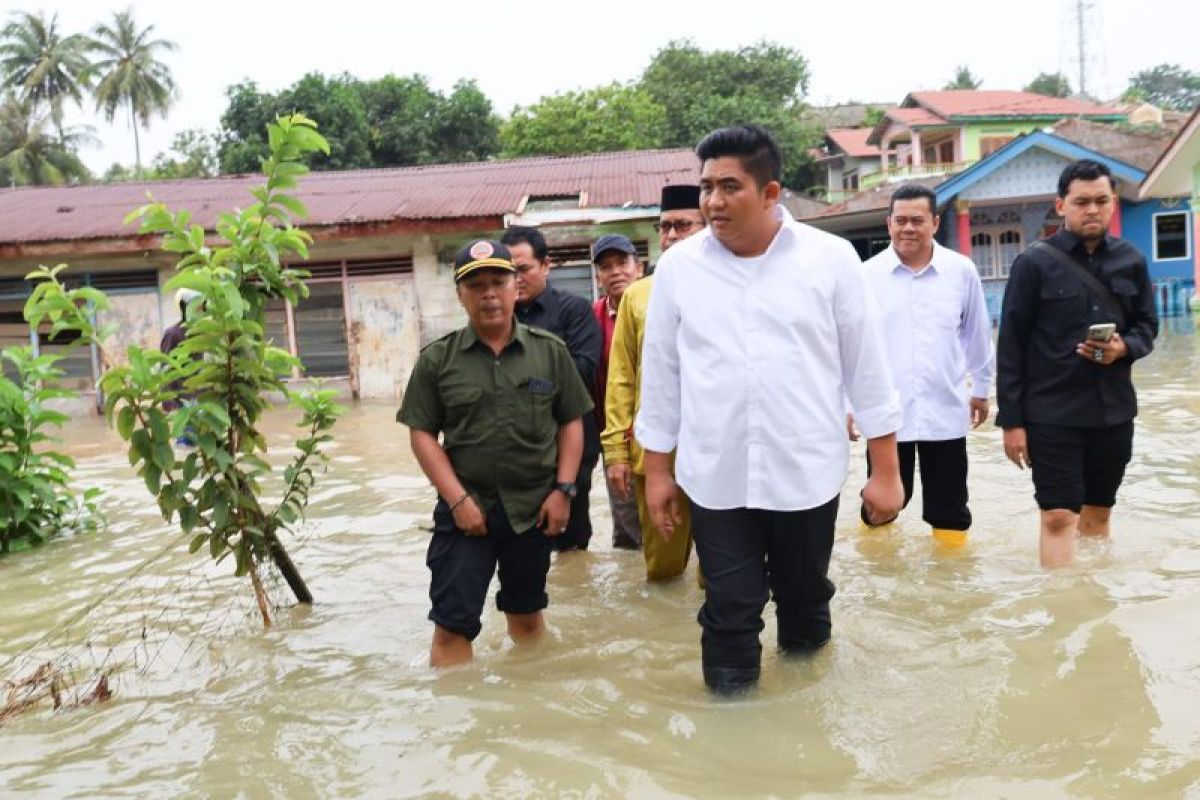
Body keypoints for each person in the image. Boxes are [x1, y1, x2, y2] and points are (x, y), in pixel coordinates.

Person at [636, 125, 904, 693]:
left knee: (805, 601)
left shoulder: (831, 260)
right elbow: (661, 377)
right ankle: (735, 745)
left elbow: (868, 369)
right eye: (706, 186)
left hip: (805, 470)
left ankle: (807, 727)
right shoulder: (680, 270)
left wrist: (887, 473)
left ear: (771, 192)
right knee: (728, 609)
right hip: (716, 474)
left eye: (729, 186)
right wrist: (656, 471)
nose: (712, 201)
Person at [398, 240, 593, 666]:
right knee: (452, 627)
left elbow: (571, 421)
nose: (488, 293)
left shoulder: (549, 352)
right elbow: (422, 434)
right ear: (460, 295)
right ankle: (459, 724)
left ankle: (527, 710)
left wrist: (564, 490)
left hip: (532, 510)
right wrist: (458, 500)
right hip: (466, 514)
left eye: (498, 281)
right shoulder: (437, 360)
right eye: (476, 285)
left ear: (515, 287)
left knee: (526, 619)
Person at [996, 159, 1158, 568]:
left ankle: (1094, 597)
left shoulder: (1132, 261)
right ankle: (1062, 612)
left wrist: (1126, 347)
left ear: (1113, 203)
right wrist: (1012, 424)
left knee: (1098, 514)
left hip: (1113, 412)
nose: (1092, 210)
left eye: (1101, 201)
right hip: (1052, 414)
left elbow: (1147, 326)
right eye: (1082, 201)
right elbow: (1011, 345)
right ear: (1061, 205)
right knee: (1057, 516)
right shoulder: (1033, 264)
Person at [854, 184, 994, 547]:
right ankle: (884, 585)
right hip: (887, 419)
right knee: (881, 508)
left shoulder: (960, 271)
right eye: (900, 220)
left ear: (934, 222)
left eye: (917, 220)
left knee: (950, 510)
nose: (908, 228)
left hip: (945, 411)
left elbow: (977, 335)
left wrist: (981, 390)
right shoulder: (866, 277)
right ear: (888, 224)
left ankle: (949, 592)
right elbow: (852, 347)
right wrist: (848, 406)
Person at [602, 184, 706, 580]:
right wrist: (615, 452)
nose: (671, 236)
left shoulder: (732, 289)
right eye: (665, 227)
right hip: (657, 455)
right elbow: (622, 379)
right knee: (662, 569)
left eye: (683, 225)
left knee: (720, 572)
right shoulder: (639, 296)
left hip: (721, 456)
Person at [501, 226, 603, 553]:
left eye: (523, 269)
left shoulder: (574, 310)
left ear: (546, 265)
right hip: (517, 451)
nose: (515, 279)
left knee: (571, 545)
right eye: (507, 272)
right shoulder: (496, 318)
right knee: (521, 544)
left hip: (570, 445)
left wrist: (522, 381)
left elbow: (583, 372)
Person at [589, 233, 645, 550]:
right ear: (598, 275)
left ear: (638, 267)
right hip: (617, 440)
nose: (615, 272)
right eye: (606, 266)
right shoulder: (591, 317)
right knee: (627, 529)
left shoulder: (660, 307)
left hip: (665, 438)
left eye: (622, 263)